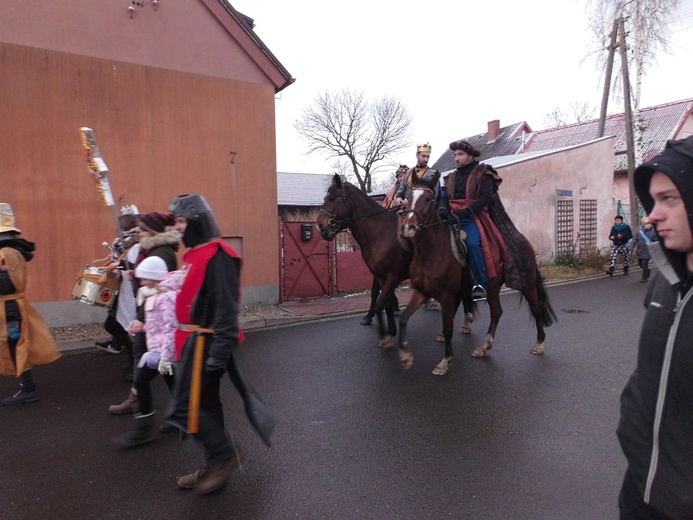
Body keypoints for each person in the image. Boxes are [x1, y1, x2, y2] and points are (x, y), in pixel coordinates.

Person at [165, 193, 275, 495]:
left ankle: (225, 456)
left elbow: (227, 308)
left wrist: (218, 353)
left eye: (182, 220)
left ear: (198, 221)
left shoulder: (219, 254)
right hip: (191, 342)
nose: (177, 226)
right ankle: (215, 464)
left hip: (207, 343)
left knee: (187, 406)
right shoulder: (195, 254)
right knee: (207, 405)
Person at [617, 134, 693, 518]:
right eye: (652, 201)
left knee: (479, 242)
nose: (652, 215)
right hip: (639, 487)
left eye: (669, 199)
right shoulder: (664, 279)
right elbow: (648, 374)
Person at [109, 211, 180, 415]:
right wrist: (135, 274)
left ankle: (143, 409)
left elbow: (160, 289)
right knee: (160, 367)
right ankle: (177, 408)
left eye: (142, 230)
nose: (139, 233)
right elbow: (151, 281)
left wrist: (140, 319)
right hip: (149, 316)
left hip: (152, 318)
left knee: (149, 363)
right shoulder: (153, 250)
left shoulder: (162, 253)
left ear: (153, 231)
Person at [113, 256, 180, 446]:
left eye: (144, 279)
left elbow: (169, 329)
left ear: (154, 278)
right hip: (160, 352)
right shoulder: (154, 295)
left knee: (141, 383)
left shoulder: (165, 298)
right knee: (174, 385)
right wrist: (140, 327)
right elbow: (156, 325)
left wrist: (166, 358)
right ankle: (180, 417)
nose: (141, 283)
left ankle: (143, 430)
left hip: (164, 354)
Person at [1, 203, 61, 405]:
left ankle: (28, 388)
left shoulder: (5, 253)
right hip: (10, 308)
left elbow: (6, 283)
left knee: (14, 344)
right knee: (13, 343)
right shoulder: (11, 250)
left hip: (9, 310)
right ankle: (26, 387)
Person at [438, 140, 497, 301]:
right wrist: (442, 209)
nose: (456, 158)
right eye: (455, 155)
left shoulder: (483, 173)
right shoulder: (451, 177)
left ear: (470, 155)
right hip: (451, 217)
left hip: (473, 217)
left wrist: (467, 211)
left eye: (460, 154)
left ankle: (479, 284)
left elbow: (485, 198)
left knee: (471, 244)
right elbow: (444, 198)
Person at [95, 212, 140, 358]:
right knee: (121, 325)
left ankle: (129, 357)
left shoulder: (136, 246)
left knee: (126, 327)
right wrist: (115, 260)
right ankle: (123, 350)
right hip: (125, 290)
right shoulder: (127, 245)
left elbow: (135, 266)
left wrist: (118, 263)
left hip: (132, 293)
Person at [630, 216, 657, 283]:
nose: (648, 225)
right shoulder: (639, 233)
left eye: (649, 224)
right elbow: (634, 241)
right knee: (640, 264)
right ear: (643, 225)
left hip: (648, 251)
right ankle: (647, 271)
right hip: (640, 251)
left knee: (644, 264)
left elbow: (656, 242)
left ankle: (644, 277)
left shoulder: (654, 233)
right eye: (646, 224)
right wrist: (630, 249)